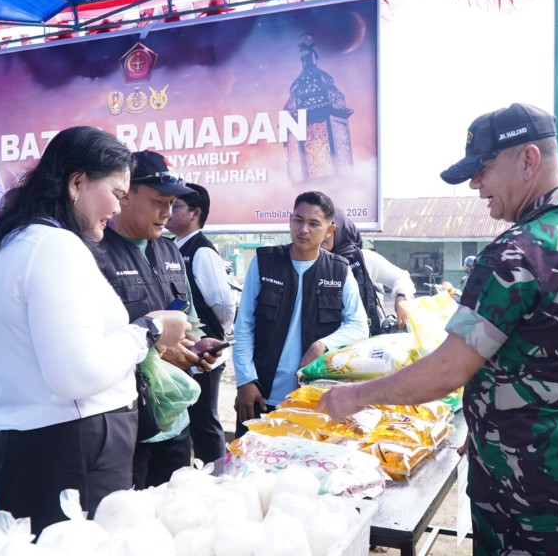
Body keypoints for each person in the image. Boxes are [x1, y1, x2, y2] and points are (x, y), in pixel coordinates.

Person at [320, 103, 558, 556]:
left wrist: (354, 396)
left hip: (525, 483)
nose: (475, 184)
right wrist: (490, 425)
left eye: (484, 169)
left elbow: (447, 371)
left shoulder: (516, 251)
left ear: (528, 160)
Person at [0, 127, 192, 534]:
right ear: (77, 184)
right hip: (73, 451)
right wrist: (148, 329)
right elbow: (77, 374)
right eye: (116, 192)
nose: (119, 205)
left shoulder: (20, 242)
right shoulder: (55, 247)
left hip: (40, 447)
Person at [96, 151, 225, 488]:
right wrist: (158, 350)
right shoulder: (95, 252)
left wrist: (197, 348)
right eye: (159, 202)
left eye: (172, 203)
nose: (167, 212)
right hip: (125, 426)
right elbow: (93, 346)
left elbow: (188, 319)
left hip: (174, 424)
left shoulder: (170, 251)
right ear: (126, 195)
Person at [233, 191, 368, 437]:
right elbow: (244, 325)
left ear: (329, 230)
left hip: (311, 400)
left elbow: (359, 325)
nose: (303, 229)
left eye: (314, 223)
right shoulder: (264, 262)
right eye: (298, 220)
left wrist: (322, 345)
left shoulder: (339, 271)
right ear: (290, 220)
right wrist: (245, 381)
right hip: (260, 395)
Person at [164, 182, 237, 464]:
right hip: (181, 351)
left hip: (205, 353)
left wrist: (211, 335)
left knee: (204, 420)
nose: (168, 211)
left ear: (195, 213)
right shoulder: (169, 247)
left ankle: (216, 477)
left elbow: (222, 304)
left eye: (175, 205)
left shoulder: (202, 251)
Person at [322, 210, 416, 332]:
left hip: (362, 341)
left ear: (341, 229)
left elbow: (401, 278)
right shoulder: (306, 261)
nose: (323, 234)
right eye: (318, 227)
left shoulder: (363, 259)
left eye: (329, 229)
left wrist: (401, 298)